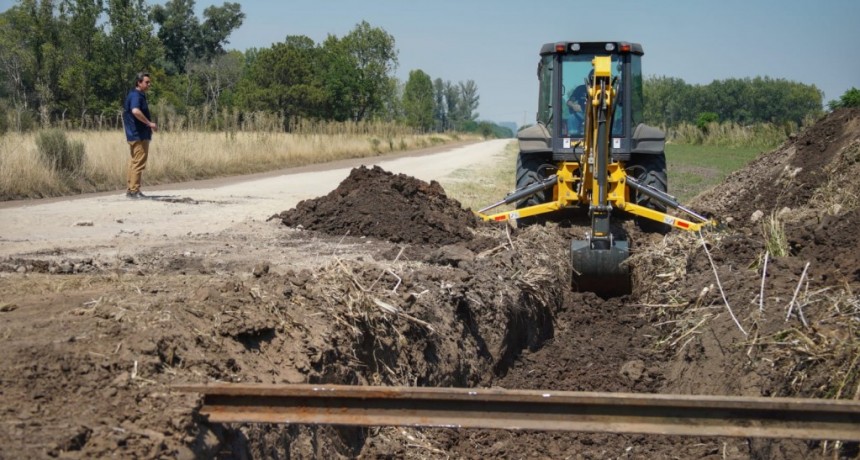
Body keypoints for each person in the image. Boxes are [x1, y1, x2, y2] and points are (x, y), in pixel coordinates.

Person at [122, 72, 157, 199]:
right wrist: (149, 123)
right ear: (139, 82)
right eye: (147, 82)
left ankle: (131, 190)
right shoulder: (136, 95)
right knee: (138, 163)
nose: (149, 84)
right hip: (138, 135)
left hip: (134, 134)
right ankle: (134, 191)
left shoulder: (134, 94)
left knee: (134, 162)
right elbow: (135, 111)